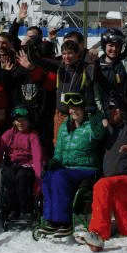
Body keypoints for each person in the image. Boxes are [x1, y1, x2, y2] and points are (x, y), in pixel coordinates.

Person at [81, 95, 127, 252]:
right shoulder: (109, 130)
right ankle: (122, 229)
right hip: (115, 185)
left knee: (102, 185)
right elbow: (96, 132)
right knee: (125, 227)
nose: (112, 112)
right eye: (109, 108)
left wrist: (124, 107)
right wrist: (96, 114)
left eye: (115, 108)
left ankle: (98, 234)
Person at [36, 93, 105, 237]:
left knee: (60, 176)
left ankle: (64, 222)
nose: (73, 111)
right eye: (71, 108)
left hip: (87, 168)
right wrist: (54, 162)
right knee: (48, 176)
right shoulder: (65, 126)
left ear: (84, 109)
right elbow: (59, 151)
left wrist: (96, 116)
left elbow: (100, 135)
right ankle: (50, 220)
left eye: (77, 108)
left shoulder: (91, 124)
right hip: (68, 169)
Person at [0, 106, 45, 222]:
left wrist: (38, 178)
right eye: (18, 120)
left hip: (28, 165)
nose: (20, 123)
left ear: (28, 121)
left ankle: (25, 209)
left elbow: (38, 156)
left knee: (22, 176)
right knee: (8, 174)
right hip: (12, 164)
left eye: (23, 120)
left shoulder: (32, 136)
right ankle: (12, 209)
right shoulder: (8, 134)